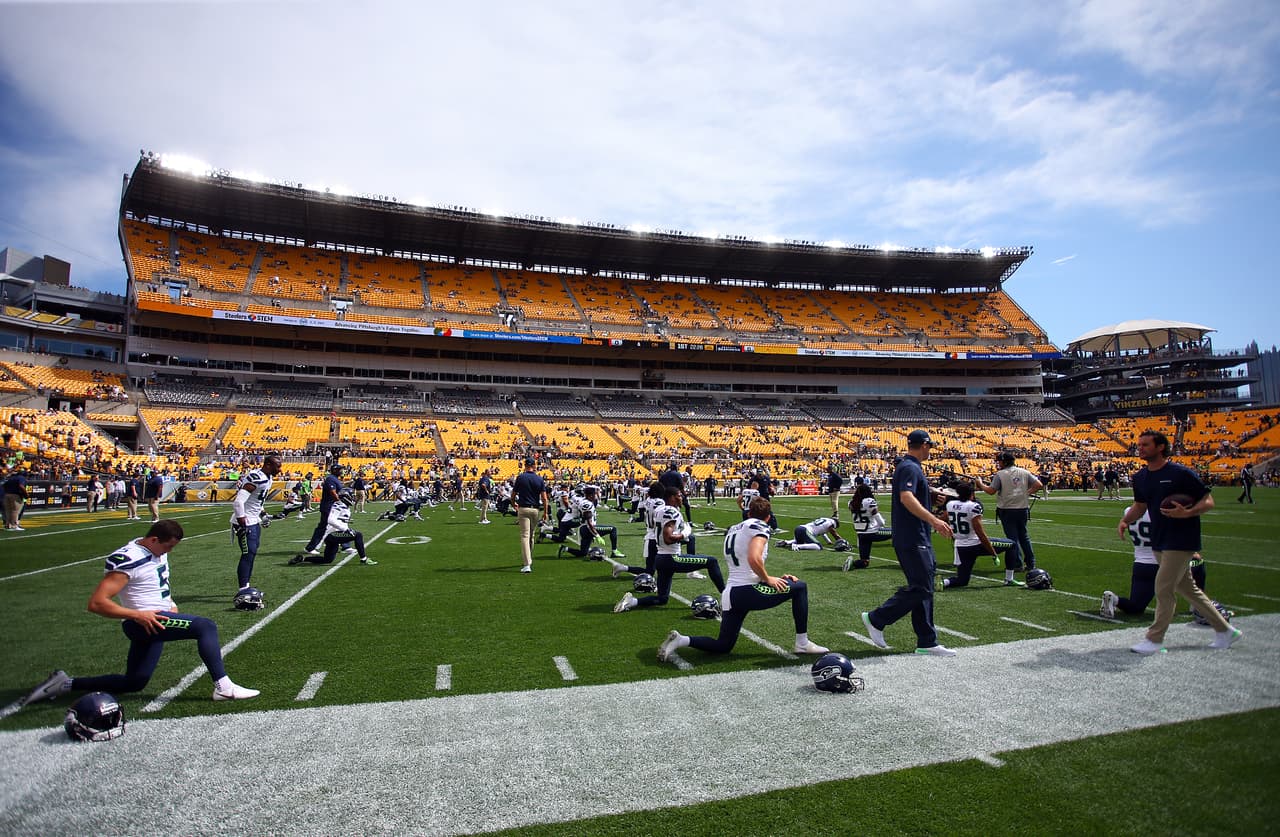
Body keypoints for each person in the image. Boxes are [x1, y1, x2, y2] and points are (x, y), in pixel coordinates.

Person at [21, 519, 259, 706]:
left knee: (134, 682)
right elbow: (97, 603)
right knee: (204, 626)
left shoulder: (157, 551)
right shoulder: (129, 559)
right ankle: (224, 688)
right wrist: (137, 615)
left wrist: (170, 602)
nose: (169, 551)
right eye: (168, 546)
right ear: (154, 539)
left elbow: (155, 584)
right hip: (144, 621)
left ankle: (65, 684)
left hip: (154, 619)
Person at [657, 497, 829, 661]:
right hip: (746, 592)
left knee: (723, 645)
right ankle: (802, 643)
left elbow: (745, 567)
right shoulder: (760, 526)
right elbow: (753, 559)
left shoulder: (734, 528)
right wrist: (768, 579)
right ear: (768, 517)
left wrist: (771, 578)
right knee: (800, 587)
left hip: (730, 594)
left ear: (748, 513)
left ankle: (682, 640)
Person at [1118, 430, 1241, 654]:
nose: (1141, 448)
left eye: (1146, 444)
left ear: (1161, 447)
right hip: (1159, 537)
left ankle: (1154, 639)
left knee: (1163, 588)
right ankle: (1225, 631)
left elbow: (1208, 500)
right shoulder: (1141, 477)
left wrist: (1189, 512)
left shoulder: (1181, 473)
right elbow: (1140, 505)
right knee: (1189, 590)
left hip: (1182, 539)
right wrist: (1125, 521)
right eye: (1140, 444)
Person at [860, 430, 957, 657]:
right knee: (922, 587)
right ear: (924, 445)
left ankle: (927, 641)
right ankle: (877, 618)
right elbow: (906, 497)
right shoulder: (910, 467)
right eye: (929, 446)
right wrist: (935, 520)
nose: (930, 450)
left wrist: (930, 495)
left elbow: (912, 494)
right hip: (913, 537)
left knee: (924, 588)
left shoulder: (910, 467)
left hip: (917, 536)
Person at [615, 486, 723, 613]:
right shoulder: (671, 512)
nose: (681, 497)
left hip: (661, 558)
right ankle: (726, 597)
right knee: (712, 561)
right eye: (679, 495)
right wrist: (684, 534)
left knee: (662, 599)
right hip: (671, 558)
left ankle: (632, 602)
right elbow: (668, 537)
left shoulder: (660, 510)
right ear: (672, 498)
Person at [974, 452, 1043, 575]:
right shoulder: (1024, 472)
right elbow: (1038, 485)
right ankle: (1031, 563)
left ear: (1004, 462)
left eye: (999, 461)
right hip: (1022, 508)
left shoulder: (1000, 474)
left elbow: (991, 491)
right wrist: (1026, 493)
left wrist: (980, 484)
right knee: (1024, 536)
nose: (998, 464)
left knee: (1012, 538)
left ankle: (1017, 563)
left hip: (1007, 509)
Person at [938, 481, 1011, 590]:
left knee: (962, 580)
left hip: (960, 546)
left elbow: (941, 519)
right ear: (971, 494)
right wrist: (993, 553)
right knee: (1013, 545)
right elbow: (980, 533)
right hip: (975, 544)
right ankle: (1009, 579)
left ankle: (944, 582)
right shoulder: (973, 506)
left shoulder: (950, 505)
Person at [230, 454, 282, 599]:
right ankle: (243, 589)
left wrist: (263, 514)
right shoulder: (256, 477)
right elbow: (238, 502)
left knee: (251, 554)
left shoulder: (268, 478)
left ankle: (246, 585)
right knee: (248, 554)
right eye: (277, 466)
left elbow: (257, 501)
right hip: (245, 522)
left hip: (254, 520)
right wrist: (242, 522)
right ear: (268, 465)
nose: (280, 469)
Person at [290, 489, 376, 566]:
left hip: (334, 535)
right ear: (345, 497)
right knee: (358, 535)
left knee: (327, 560)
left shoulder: (344, 507)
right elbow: (330, 520)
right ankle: (364, 559)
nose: (352, 498)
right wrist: (346, 529)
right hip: (331, 535)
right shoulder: (338, 505)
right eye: (351, 496)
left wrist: (345, 527)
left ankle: (302, 559)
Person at [558, 484, 624, 559]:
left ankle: (565, 549)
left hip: (584, 529)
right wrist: (597, 535)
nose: (596, 496)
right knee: (613, 529)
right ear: (591, 496)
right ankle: (614, 551)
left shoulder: (584, 501)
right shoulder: (587, 504)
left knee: (583, 553)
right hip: (588, 529)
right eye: (595, 494)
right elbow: (589, 524)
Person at [299, 464, 345, 558]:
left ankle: (344, 545)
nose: (342, 471)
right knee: (326, 527)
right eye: (340, 470)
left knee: (333, 525)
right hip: (328, 506)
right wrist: (340, 502)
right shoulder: (331, 479)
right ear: (335, 470)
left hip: (332, 507)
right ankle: (311, 547)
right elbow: (333, 492)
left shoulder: (334, 479)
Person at [512, 457, 549, 573]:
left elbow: (513, 495)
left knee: (524, 535)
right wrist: (546, 512)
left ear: (525, 465)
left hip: (523, 508)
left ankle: (527, 563)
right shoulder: (539, 479)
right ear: (534, 466)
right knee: (531, 535)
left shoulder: (521, 477)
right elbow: (544, 498)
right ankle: (529, 557)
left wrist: (514, 505)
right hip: (535, 509)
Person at [847, 483, 890, 571]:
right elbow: (881, 522)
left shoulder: (851, 503)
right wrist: (881, 523)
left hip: (861, 535)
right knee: (897, 532)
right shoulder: (869, 501)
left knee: (865, 562)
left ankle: (853, 563)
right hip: (873, 533)